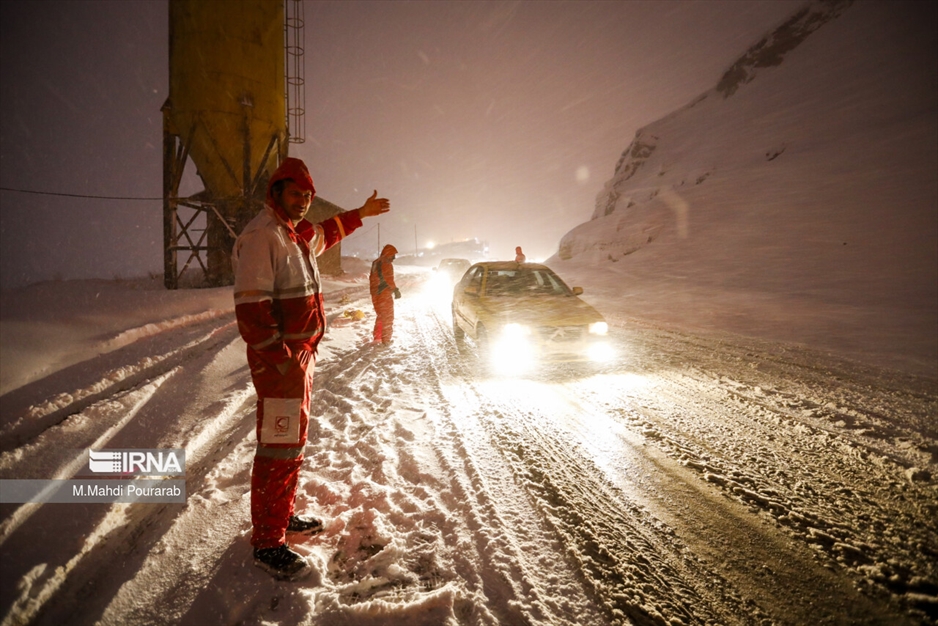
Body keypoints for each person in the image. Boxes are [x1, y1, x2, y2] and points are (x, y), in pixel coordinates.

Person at [232, 157, 390, 580]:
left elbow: (328, 232)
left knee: (291, 446)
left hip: (297, 359)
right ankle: (267, 542)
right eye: (295, 194)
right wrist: (282, 364)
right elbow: (253, 314)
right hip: (280, 362)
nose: (303, 202)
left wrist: (362, 213)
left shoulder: (293, 236)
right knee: (277, 447)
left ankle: (280, 518)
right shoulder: (262, 237)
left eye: (307, 196)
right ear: (277, 192)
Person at [370, 244, 401, 344]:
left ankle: (377, 337)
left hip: (375, 293)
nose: (394, 258)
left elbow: (373, 278)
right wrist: (395, 290)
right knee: (387, 316)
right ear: (389, 254)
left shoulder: (376, 262)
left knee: (380, 315)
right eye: (393, 255)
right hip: (383, 293)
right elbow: (388, 278)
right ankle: (386, 340)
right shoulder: (386, 263)